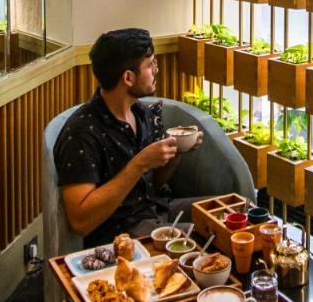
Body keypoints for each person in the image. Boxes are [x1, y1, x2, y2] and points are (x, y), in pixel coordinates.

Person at [54, 27, 205, 246]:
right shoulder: (82, 132)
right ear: (128, 77)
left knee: (235, 214)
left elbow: (152, 184)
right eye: (150, 64)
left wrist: (175, 153)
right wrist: (139, 163)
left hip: (157, 210)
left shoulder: (141, 112)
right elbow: (80, 221)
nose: (156, 70)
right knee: (208, 239)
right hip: (121, 233)